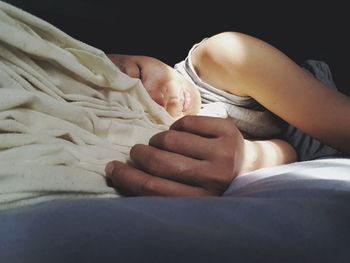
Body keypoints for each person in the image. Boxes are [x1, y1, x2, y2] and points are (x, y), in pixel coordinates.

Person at [105, 31, 350, 196]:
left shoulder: (221, 56)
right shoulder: (173, 147)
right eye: (143, 109)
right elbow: (292, 151)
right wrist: (249, 157)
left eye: (138, 74)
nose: (161, 98)